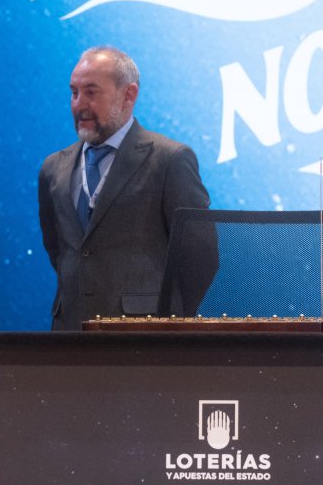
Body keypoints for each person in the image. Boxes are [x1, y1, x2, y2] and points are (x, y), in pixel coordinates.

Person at [38, 45, 210, 330]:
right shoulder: (52, 168)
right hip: (69, 338)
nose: (79, 104)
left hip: (144, 342)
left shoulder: (169, 160)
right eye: (74, 92)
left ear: (128, 95)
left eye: (91, 92)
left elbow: (201, 257)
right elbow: (57, 250)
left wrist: (171, 325)